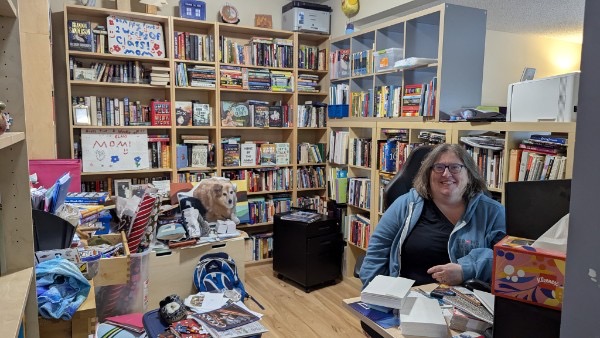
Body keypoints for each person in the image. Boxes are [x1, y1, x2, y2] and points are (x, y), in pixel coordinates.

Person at [360, 144, 506, 289]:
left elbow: (506, 263)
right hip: (406, 299)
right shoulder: (406, 204)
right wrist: (376, 296)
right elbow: (376, 254)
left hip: (465, 303)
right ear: (428, 174)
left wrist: (465, 270)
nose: (446, 174)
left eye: (455, 167)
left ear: (469, 173)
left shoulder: (493, 212)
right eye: (439, 167)